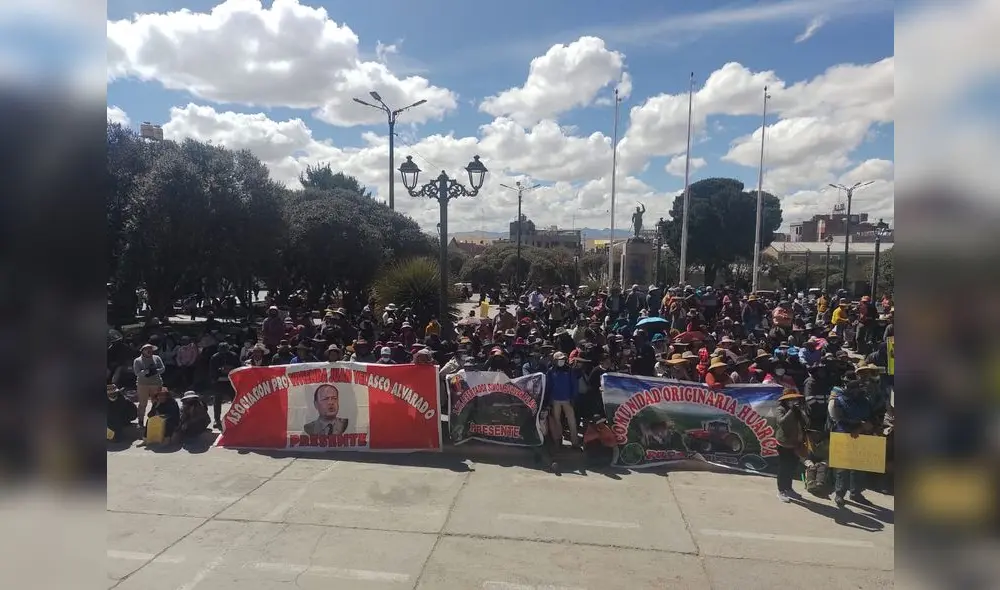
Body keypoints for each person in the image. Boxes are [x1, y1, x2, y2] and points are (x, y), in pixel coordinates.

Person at [828, 379, 875, 507]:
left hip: (862, 436)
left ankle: (856, 493)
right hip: (844, 436)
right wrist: (857, 426)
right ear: (851, 389)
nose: (860, 391)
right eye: (857, 389)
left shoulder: (864, 401)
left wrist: (867, 426)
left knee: (859, 467)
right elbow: (839, 419)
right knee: (843, 467)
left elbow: (870, 416)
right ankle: (839, 494)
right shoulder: (839, 401)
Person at [775, 389, 808, 502]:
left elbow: (806, 422)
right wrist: (792, 411)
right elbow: (782, 422)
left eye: (795, 399)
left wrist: (802, 411)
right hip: (784, 444)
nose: (793, 401)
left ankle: (789, 488)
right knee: (784, 468)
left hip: (796, 443)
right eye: (791, 399)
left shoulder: (798, 410)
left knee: (792, 467)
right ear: (785, 400)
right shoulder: (781, 409)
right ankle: (781, 491)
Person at [545, 352, 580, 449]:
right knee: (557, 421)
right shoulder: (551, 371)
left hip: (567, 400)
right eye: (559, 360)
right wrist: (549, 400)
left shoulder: (569, 371)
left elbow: (574, 385)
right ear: (555, 361)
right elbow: (549, 386)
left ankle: (575, 442)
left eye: (563, 359)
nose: (562, 361)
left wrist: (574, 397)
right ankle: (558, 440)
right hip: (555, 400)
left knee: (572, 421)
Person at [133, 343, 165, 428]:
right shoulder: (137, 360)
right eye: (147, 349)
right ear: (143, 350)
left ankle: (155, 420)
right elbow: (137, 373)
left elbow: (163, 368)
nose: (149, 350)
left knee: (156, 402)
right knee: (142, 403)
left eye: (150, 348)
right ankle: (140, 421)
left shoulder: (157, 358)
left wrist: (155, 371)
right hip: (142, 384)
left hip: (156, 383)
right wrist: (146, 372)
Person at [209, 342, 239, 430]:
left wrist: (230, 369)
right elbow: (212, 370)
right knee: (217, 400)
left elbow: (238, 367)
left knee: (235, 400)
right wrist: (219, 372)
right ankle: (217, 420)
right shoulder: (215, 357)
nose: (224, 353)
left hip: (231, 381)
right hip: (219, 381)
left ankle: (236, 417)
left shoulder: (233, 356)